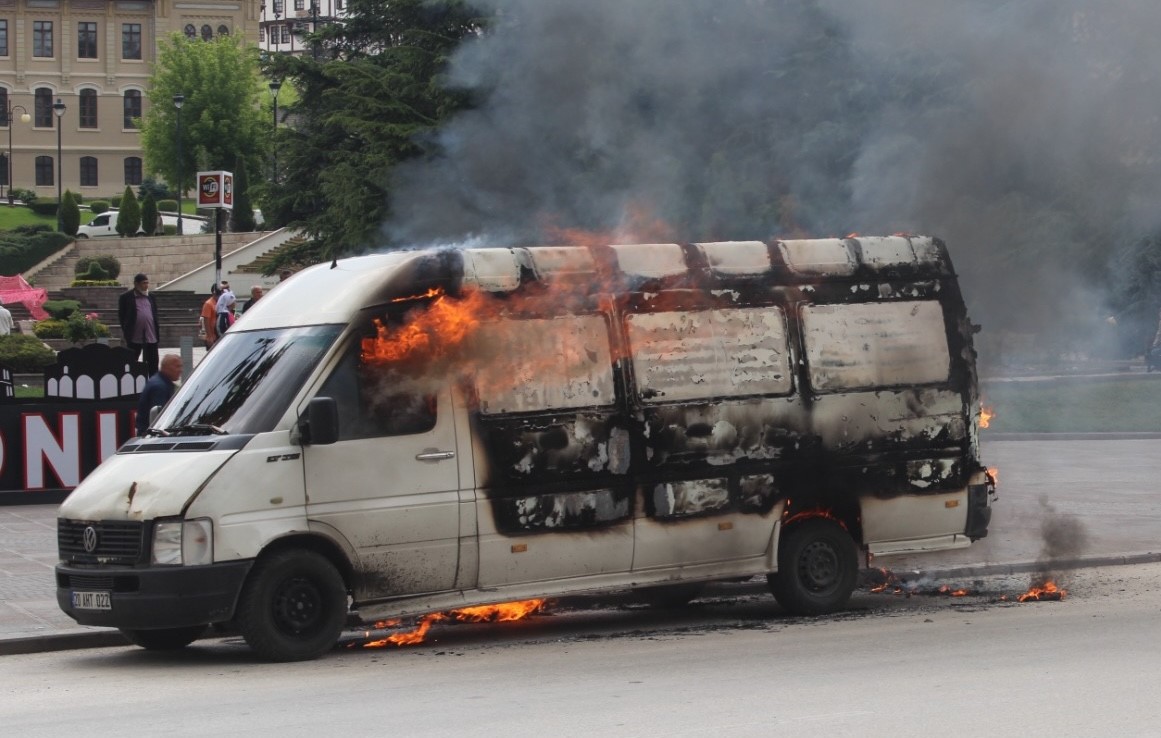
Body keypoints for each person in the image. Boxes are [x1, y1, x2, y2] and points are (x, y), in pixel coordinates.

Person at [118, 273, 160, 376]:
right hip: (134, 337)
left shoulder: (151, 297)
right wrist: (127, 331)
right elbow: (122, 316)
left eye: (147, 283)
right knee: (132, 363)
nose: (146, 286)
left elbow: (154, 314)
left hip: (151, 336)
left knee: (153, 363)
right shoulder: (126, 297)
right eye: (143, 283)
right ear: (136, 284)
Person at [135, 353, 182, 436]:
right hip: (151, 437)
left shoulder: (160, 382)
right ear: (166, 368)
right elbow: (159, 417)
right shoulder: (159, 387)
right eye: (177, 366)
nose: (181, 370)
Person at [199, 283, 221, 350]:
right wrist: (209, 336)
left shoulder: (220, 302)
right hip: (213, 335)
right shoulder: (209, 304)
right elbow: (206, 320)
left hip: (219, 333)